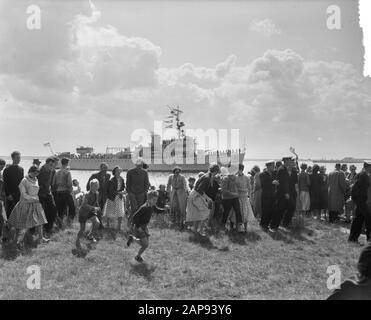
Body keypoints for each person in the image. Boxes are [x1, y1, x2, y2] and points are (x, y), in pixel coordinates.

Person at [8, 166, 49, 250]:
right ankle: (18, 243)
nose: (35, 175)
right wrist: (34, 198)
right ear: (30, 171)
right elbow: (23, 194)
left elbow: (36, 191)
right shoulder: (24, 181)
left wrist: (36, 198)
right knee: (24, 225)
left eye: (37, 173)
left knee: (40, 222)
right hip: (25, 204)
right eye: (34, 172)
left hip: (36, 204)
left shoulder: (36, 179)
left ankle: (41, 238)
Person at [127, 190, 168, 263]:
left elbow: (157, 210)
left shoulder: (152, 206)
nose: (155, 201)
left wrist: (164, 209)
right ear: (148, 199)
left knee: (145, 244)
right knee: (145, 244)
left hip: (145, 227)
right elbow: (134, 217)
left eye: (156, 200)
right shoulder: (144, 207)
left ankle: (137, 255)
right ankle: (134, 243)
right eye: (153, 200)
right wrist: (138, 227)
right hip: (139, 227)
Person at [186, 164, 220, 235]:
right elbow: (199, 190)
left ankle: (196, 230)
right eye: (217, 172)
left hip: (196, 195)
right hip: (196, 195)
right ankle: (200, 231)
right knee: (205, 211)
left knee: (199, 212)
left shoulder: (208, 176)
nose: (217, 173)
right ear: (215, 171)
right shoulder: (207, 178)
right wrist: (208, 198)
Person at [348, 161, 371, 244]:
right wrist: (356, 198)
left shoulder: (361, 174)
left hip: (360, 199)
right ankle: (368, 237)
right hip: (360, 199)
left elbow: (354, 186)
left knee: (359, 218)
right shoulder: (364, 175)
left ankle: (353, 238)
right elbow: (356, 187)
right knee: (368, 216)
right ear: (368, 167)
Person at [76, 179, 102, 248]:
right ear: (90, 186)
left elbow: (96, 202)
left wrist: (98, 208)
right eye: (94, 186)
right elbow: (84, 205)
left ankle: (90, 236)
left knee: (97, 223)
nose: (95, 187)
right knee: (82, 229)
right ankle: (77, 240)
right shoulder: (87, 194)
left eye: (97, 186)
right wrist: (94, 208)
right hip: (83, 213)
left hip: (90, 212)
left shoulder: (97, 193)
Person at [271, 156, 295, 231]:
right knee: (280, 210)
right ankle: (274, 226)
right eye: (289, 160)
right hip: (282, 194)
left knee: (290, 208)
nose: (291, 161)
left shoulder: (284, 169)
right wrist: (286, 193)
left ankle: (284, 224)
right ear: (286, 161)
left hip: (285, 193)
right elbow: (283, 183)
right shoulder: (282, 169)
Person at [230, 164, 255, 232]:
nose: (238, 171)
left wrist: (250, 197)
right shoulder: (235, 177)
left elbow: (249, 188)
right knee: (236, 212)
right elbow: (233, 188)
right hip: (237, 197)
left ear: (242, 170)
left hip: (244, 198)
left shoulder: (247, 178)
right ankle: (236, 227)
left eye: (239, 170)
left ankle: (245, 228)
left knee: (245, 212)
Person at [37, 157, 58, 237]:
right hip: (39, 194)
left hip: (48, 193)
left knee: (53, 210)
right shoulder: (39, 170)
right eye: (50, 165)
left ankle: (48, 228)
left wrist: (52, 190)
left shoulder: (52, 171)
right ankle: (33, 230)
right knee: (38, 213)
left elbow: (51, 183)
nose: (51, 166)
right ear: (46, 163)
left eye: (52, 165)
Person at [53, 158, 76, 228]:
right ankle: (69, 222)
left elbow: (53, 184)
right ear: (67, 163)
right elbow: (69, 184)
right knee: (72, 207)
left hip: (58, 192)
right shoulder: (67, 172)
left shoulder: (57, 172)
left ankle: (60, 224)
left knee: (60, 209)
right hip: (65, 192)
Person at [220, 166, 244, 233]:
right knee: (226, 213)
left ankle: (240, 227)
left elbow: (237, 187)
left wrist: (237, 193)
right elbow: (224, 190)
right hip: (227, 198)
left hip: (235, 198)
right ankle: (223, 226)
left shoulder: (236, 178)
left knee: (238, 211)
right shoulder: (225, 178)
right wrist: (233, 194)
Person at [103, 166, 126, 233]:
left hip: (119, 197)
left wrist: (124, 191)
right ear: (114, 172)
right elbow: (111, 191)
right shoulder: (112, 180)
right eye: (117, 171)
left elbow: (123, 187)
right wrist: (119, 192)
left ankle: (119, 227)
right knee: (109, 211)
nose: (119, 172)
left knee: (120, 211)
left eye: (119, 171)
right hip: (112, 197)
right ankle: (107, 225)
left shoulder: (122, 179)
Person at [3, 151, 24, 218]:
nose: (19, 159)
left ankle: (17, 226)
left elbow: (22, 182)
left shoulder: (21, 169)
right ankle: (8, 226)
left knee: (18, 211)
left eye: (19, 158)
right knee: (10, 211)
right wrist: (8, 194)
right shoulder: (7, 170)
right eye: (17, 158)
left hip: (19, 193)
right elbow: (5, 183)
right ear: (12, 158)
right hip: (10, 194)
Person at [259, 161, 278, 232]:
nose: (274, 167)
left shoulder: (274, 173)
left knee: (272, 210)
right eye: (273, 166)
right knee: (265, 210)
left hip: (273, 195)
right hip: (265, 195)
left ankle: (268, 225)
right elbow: (263, 184)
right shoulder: (262, 174)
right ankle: (263, 224)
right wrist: (272, 182)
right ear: (268, 166)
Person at [0, 158, 6, 240]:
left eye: (3, 166)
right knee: (1, 218)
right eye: (1, 166)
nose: (2, 168)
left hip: (1, 199)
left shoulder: (1, 174)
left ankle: (1, 236)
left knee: (2, 218)